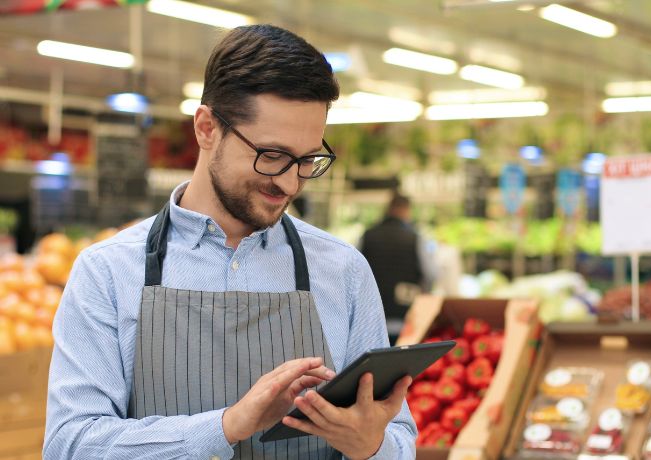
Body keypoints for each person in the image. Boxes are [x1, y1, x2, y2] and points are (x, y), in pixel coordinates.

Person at [43, 24, 416, 460]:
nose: (290, 182)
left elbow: (402, 440)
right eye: (272, 155)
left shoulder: (343, 271)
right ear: (206, 129)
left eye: (308, 159)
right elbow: (71, 446)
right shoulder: (106, 272)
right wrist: (227, 426)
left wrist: (372, 446)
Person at [360, 193, 436, 344]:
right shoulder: (415, 238)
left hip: (371, 318)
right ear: (406, 210)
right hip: (405, 317)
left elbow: (355, 271)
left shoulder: (367, 236)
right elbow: (431, 274)